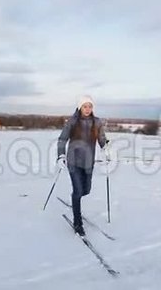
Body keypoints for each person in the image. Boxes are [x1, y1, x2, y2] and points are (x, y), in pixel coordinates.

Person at [57, 95, 110, 236]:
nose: (87, 109)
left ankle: (75, 196)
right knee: (78, 191)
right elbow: (62, 139)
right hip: (73, 161)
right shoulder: (72, 122)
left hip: (88, 162)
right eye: (85, 106)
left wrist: (106, 147)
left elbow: (102, 139)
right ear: (80, 107)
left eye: (90, 106)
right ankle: (77, 222)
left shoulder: (97, 122)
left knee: (86, 190)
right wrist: (61, 155)